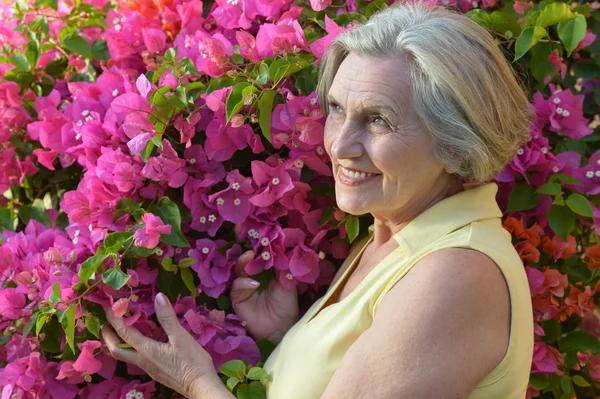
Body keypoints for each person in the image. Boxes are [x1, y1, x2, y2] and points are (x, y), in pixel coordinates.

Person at [101, 2, 535, 398]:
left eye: (378, 120)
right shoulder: (395, 233)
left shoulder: (455, 274)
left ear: (454, 143)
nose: (340, 145)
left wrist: (195, 382)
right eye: (337, 109)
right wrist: (291, 341)